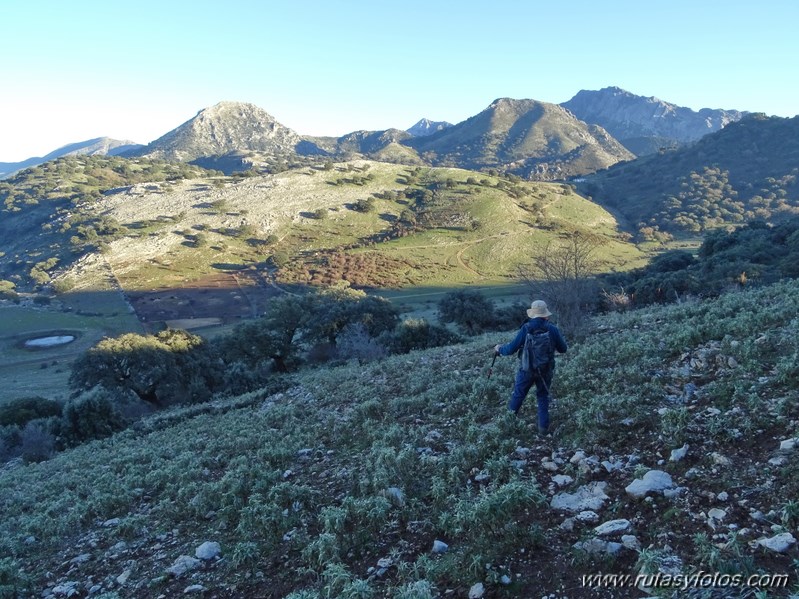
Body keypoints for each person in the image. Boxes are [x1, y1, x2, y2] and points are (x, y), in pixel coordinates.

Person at [494, 299, 567, 433]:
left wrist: (499, 350)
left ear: (533, 314)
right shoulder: (552, 329)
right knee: (542, 396)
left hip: (526, 369)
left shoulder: (526, 328)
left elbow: (511, 349)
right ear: (546, 314)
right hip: (545, 369)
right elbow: (563, 349)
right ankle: (543, 428)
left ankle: (507, 425)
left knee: (519, 395)